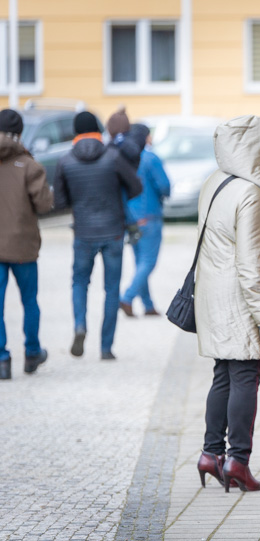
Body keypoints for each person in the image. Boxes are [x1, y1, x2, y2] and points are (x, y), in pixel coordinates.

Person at [194, 115, 260, 493]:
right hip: (242, 299)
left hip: (213, 294)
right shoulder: (253, 195)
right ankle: (238, 461)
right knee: (246, 375)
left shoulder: (215, 181)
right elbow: (252, 263)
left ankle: (211, 454)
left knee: (223, 374)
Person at [54, 111, 142, 360]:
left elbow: (59, 202)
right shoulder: (113, 157)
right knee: (112, 289)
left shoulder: (65, 161)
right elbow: (136, 186)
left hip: (83, 232)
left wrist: (78, 201)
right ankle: (106, 348)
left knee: (80, 282)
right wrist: (117, 194)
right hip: (113, 232)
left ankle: (80, 325)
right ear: (97, 129)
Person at [0, 109, 53, 379]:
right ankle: (32, 353)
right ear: (19, 132)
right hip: (23, 246)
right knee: (29, 301)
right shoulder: (29, 165)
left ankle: (1, 360)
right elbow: (44, 205)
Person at [119, 124, 171, 317]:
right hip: (150, 216)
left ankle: (148, 305)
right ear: (146, 137)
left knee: (141, 262)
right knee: (148, 262)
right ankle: (126, 297)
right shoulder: (151, 158)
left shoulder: (123, 157)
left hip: (131, 217)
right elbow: (165, 186)